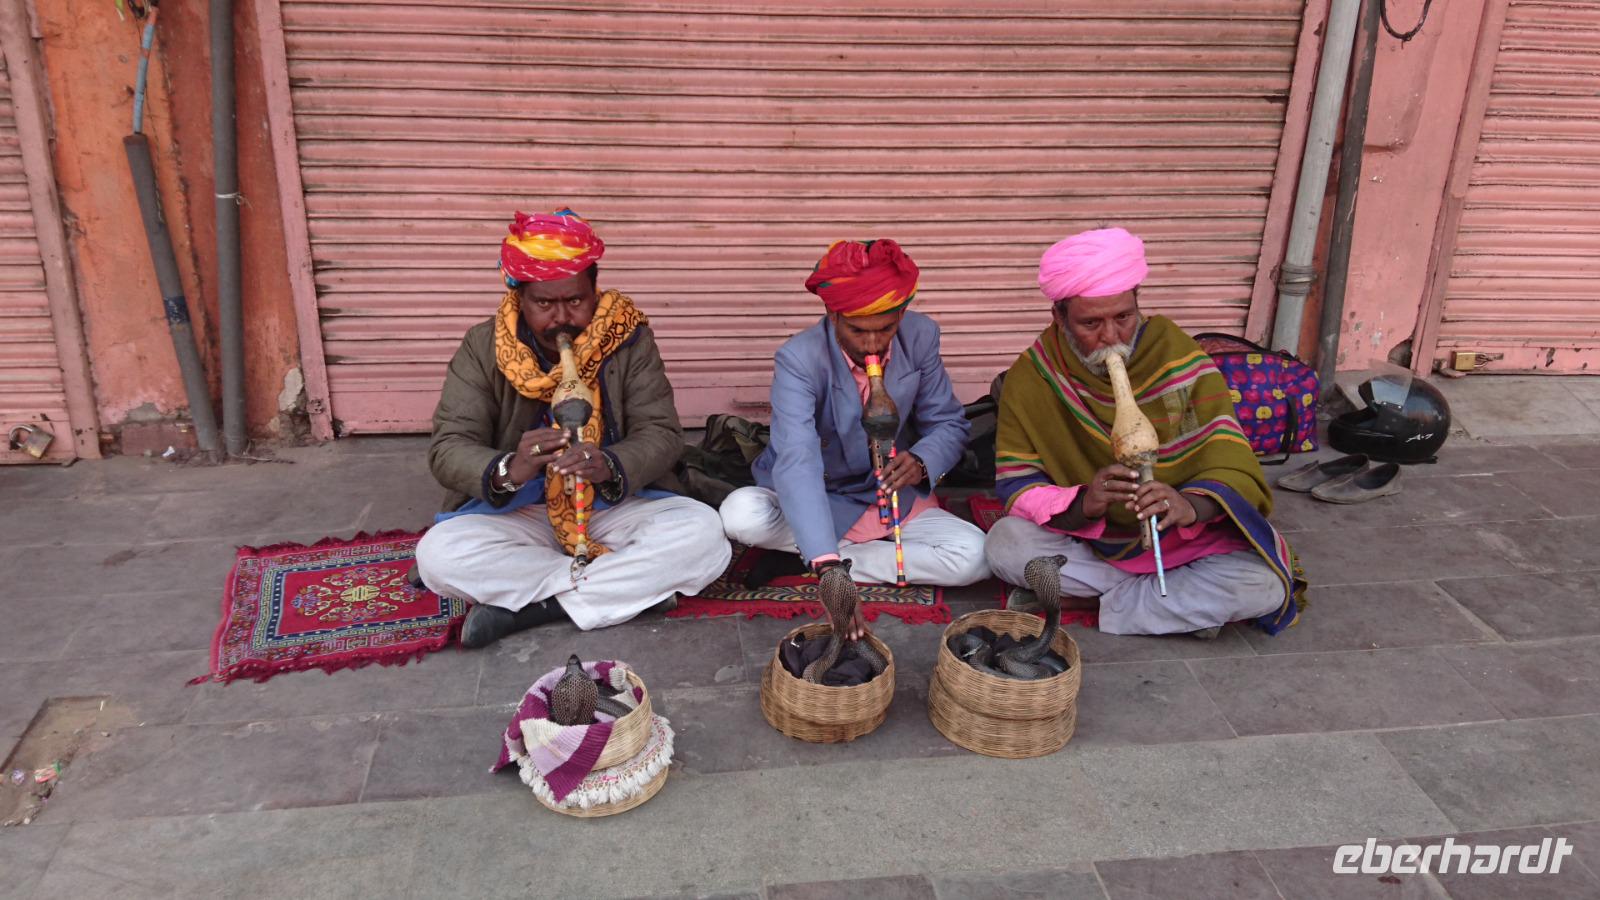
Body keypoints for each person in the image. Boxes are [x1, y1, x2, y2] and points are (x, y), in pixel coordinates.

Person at [415, 209, 731, 648]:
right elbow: (448, 447)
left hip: (611, 504)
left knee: (704, 535)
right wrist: (513, 467)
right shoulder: (483, 345)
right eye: (545, 304)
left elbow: (662, 432)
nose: (562, 318)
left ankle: (539, 607)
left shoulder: (629, 338)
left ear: (593, 290)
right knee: (437, 556)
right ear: (519, 296)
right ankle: (627, 590)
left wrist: (611, 464)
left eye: (576, 301)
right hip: (522, 512)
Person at [984, 227, 1305, 637]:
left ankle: (1094, 603)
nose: (1111, 337)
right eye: (1090, 323)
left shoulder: (1179, 356)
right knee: (1005, 544)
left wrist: (1189, 505)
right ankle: (1165, 606)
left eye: (1123, 317)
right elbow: (1017, 482)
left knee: (1265, 586)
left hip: (1185, 544)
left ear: (1138, 305)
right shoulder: (1033, 376)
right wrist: (1087, 503)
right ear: (1059, 317)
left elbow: (1231, 459)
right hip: (1092, 543)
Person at [719, 239, 990, 636]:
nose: (873, 344)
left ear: (902, 314)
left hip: (893, 496)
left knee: (976, 558)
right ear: (833, 314)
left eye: (886, 329)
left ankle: (818, 558)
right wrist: (830, 573)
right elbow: (797, 459)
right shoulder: (799, 358)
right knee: (739, 515)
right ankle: (826, 560)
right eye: (859, 330)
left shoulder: (921, 337)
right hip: (822, 495)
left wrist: (921, 461)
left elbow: (949, 423)